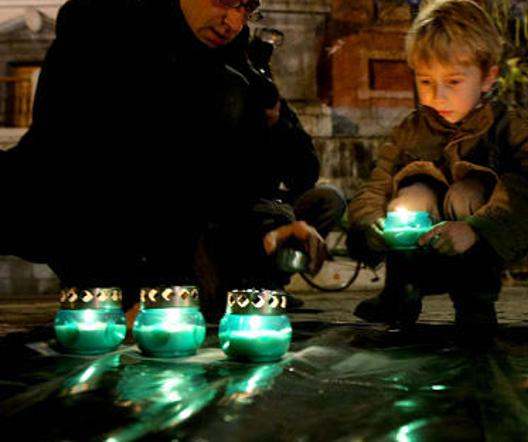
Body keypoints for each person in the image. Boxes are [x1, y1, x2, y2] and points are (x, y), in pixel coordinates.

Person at [0, 0, 343, 319]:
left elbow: (251, 179)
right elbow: (74, 165)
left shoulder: (238, 66)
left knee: (197, 312)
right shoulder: (104, 35)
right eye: (224, 0)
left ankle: (242, 277)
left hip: (188, 231)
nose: (233, 22)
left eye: (246, 8)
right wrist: (127, 291)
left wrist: (268, 235)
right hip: (87, 222)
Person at [347, 0, 528, 341]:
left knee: (467, 192)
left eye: (454, 81)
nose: (438, 96)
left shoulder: (510, 129)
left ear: (488, 77)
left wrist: (479, 229)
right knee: (411, 195)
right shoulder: (411, 130)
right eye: (426, 81)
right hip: (416, 252)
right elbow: (377, 183)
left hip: (475, 249)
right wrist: (370, 223)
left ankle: (474, 305)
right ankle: (401, 295)